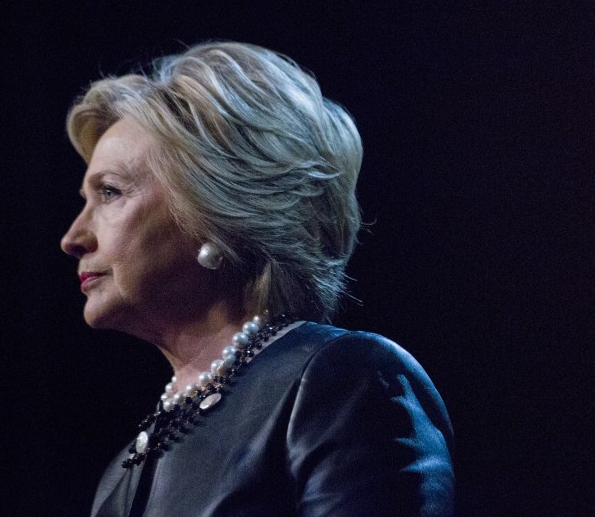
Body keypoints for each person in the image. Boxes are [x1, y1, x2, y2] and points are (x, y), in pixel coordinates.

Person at [60, 42, 454, 516]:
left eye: (109, 192)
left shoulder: (346, 380)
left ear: (215, 208)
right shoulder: (120, 474)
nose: (73, 237)